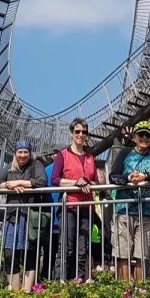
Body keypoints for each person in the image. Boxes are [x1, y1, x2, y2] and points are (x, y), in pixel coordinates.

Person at [109, 121, 150, 282]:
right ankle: (126, 289)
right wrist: (128, 178)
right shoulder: (125, 153)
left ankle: (141, 291)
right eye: (140, 134)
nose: (144, 137)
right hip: (124, 209)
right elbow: (113, 176)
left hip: (145, 211)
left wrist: (145, 177)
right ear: (134, 137)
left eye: (148, 135)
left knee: (142, 253)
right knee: (123, 252)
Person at [0, 141, 48, 291]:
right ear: (16, 153)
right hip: (12, 216)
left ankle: (27, 291)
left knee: (30, 253)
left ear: (30, 153)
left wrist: (19, 182)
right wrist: (8, 185)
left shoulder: (36, 165)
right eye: (20, 152)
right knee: (10, 254)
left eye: (25, 152)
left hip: (29, 216)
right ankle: (15, 291)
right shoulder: (10, 167)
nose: (22, 155)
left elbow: (42, 182)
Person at [50, 118, 100, 281]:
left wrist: (87, 182)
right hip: (69, 206)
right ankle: (60, 283)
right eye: (77, 131)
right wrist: (76, 183)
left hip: (87, 206)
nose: (81, 134)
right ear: (72, 134)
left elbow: (96, 182)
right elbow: (55, 179)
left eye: (84, 132)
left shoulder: (90, 157)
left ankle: (78, 283)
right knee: (66, 246)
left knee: (82, 249)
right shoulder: (63, 154)